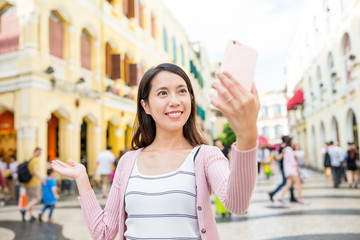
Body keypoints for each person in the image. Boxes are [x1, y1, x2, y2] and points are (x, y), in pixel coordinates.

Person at [52, 63, 259, 239]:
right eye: (162, 93)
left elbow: (238, 204)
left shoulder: (206, 156)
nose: (175, 101)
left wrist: (247, 136)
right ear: (146, 106)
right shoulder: (128, 162)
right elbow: (103, 233)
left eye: (182, 91)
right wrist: (82, 178)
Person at [268, 136, 297, 202]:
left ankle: (292, 197)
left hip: (288, 168)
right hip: (285, 168)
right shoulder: (282, 148)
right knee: (285, 183)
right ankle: (273, 193)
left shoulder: (288, 147)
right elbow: (278, 157)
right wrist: (283, 153)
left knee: (290, 182)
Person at [278, 137, 305, 204]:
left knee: (289, 184)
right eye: (292, 142)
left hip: (287, 169)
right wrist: (298, 169)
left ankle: (280, 197)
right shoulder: (289, 149)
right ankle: (301, 199)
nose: (293, 143)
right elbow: (292, 161)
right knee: (298, 183)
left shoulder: (285, 149)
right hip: (292, 169)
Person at [21, 147, 45, 222]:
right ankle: (24, 209)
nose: (40, 154)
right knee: (37, 198)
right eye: (39, 153)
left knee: (30, 200)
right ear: (35, 152)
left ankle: (31, 215)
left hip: (27, 183)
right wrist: (41, 179)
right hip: (34, 183)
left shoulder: (29, 159)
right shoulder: (35, 160)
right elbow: (35, 171)